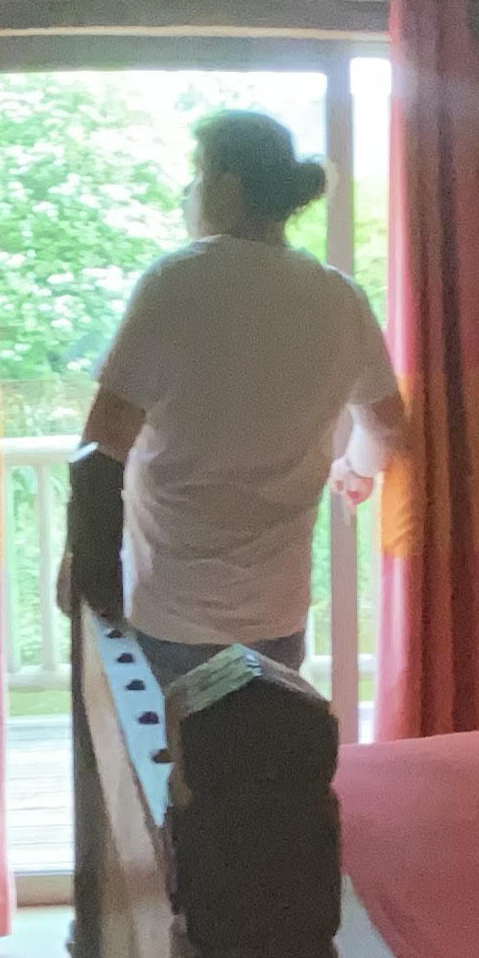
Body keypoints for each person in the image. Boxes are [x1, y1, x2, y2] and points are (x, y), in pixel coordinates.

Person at [78, 108, 409, 697]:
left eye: (197, 174)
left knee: (170, 755)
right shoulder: (340, 298)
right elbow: (387, 427)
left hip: (172, 609)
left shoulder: (175, 283)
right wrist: (355, 469)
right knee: (268, 748)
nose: (188, 192)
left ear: (227, 186)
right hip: (277, 614)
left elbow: (103, 443)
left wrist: (80, 565)